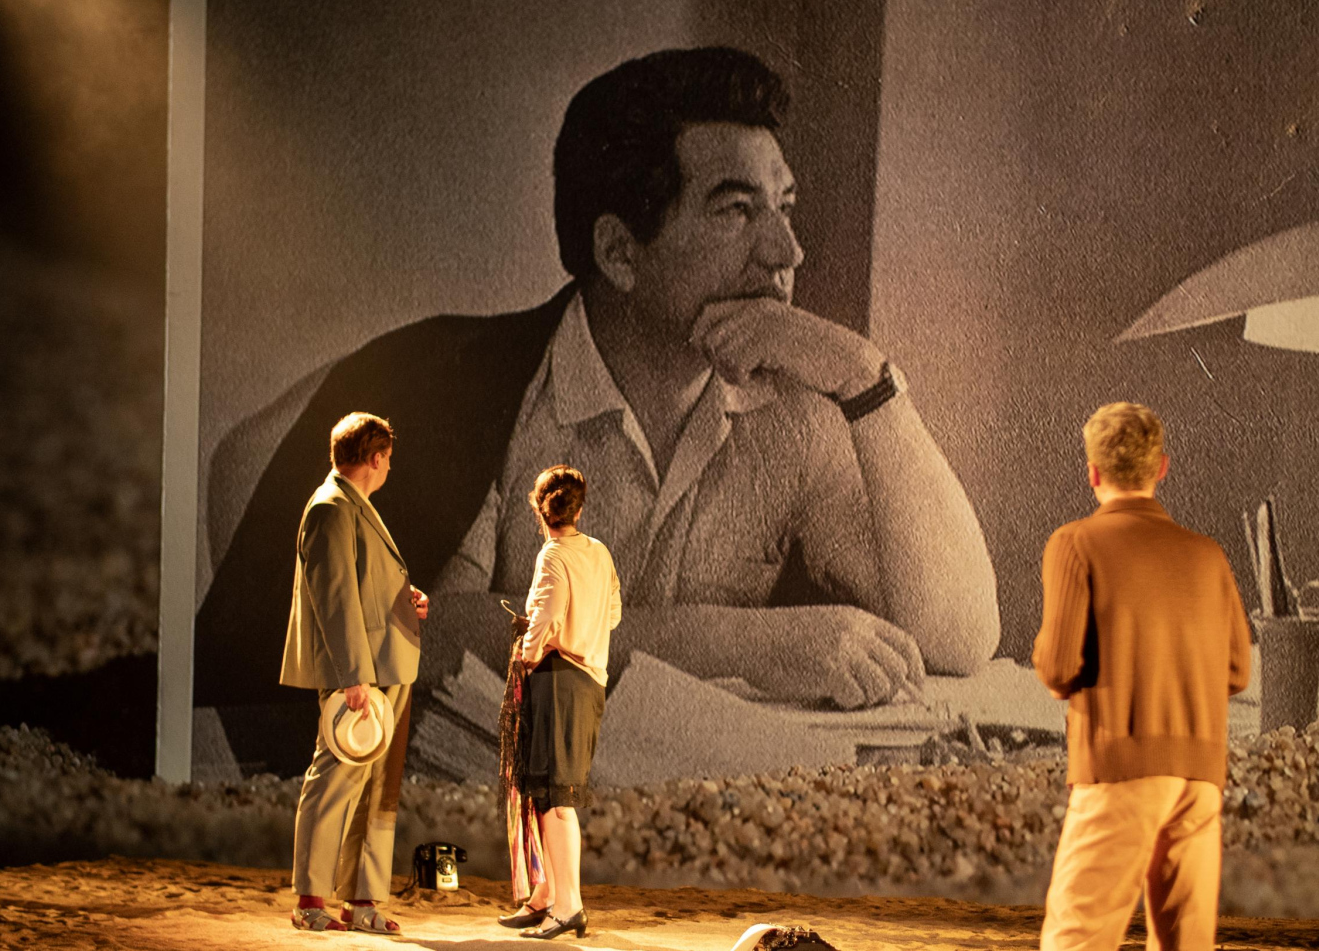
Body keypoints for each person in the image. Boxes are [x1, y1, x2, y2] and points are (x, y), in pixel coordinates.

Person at [195, 46, 1000, 777]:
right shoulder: (478, 396)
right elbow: (411, 636)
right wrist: (734, 641)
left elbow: (957, 638)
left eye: (783, 207)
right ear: (619, 252)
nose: (786, 252)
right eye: (735, 211)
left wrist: (866, 378)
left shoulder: (791, 413)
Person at [1032, 403, 1252, 951]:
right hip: (1200, 774)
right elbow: (1237, 670)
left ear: (1093, 473)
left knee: (1077, 938)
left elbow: (1058, 667)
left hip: (1120, 766)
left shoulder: (1075, 543)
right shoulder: (1208, 555)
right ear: (1162, 468)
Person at [282, 413, 429, 933]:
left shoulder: (354, 505)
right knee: (335, 779)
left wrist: (405, 600)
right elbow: (335, 597)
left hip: (387, 663)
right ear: (376, 457)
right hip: (361, 672)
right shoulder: (330, 508)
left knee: (377, 789)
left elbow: (363, 585)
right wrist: (352, 676)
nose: (390, 467)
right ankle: (310, 900)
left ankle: (362, 900)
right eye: (388, 458)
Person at [495, 465, 620, 940]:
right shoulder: (598, 552)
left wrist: (529, 654)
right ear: (578, 509)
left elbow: (545, 616)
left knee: (556, 796)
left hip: (559, 679)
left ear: (538, 509)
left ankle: (569, 906)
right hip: (587, 680)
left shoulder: (553, 554)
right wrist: (584, 629)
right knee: (546, 792)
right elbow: (613, 612)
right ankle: (547, 894)